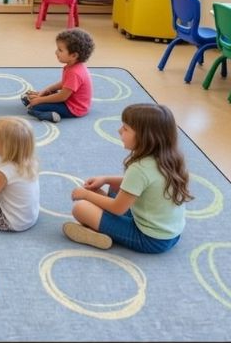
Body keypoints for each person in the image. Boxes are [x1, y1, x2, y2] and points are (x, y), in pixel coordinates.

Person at [64, 103, 191, 253]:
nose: (119, 131)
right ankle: (105, 224)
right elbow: (140, 185)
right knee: (113, 187)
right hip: (170, 234)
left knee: (80, 208)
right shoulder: (171, 157)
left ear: (145, 137)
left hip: (150, 239)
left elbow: (117, 208)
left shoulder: (140, 168)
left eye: (125, 129)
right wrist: (106, 179)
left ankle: (99, 233)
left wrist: (85, 195)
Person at [22, 28, 94, 123]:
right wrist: (45, 91)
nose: (56, 52)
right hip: (69, 100)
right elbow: (65, 83)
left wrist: (40, 100)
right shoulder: (73, 66)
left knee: (34, 107)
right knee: (28, 98)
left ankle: (51, 116)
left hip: (74, 108)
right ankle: (41, 103)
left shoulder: (75, 72)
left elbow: (62, 97)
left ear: (74, 56)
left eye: (60, 50)